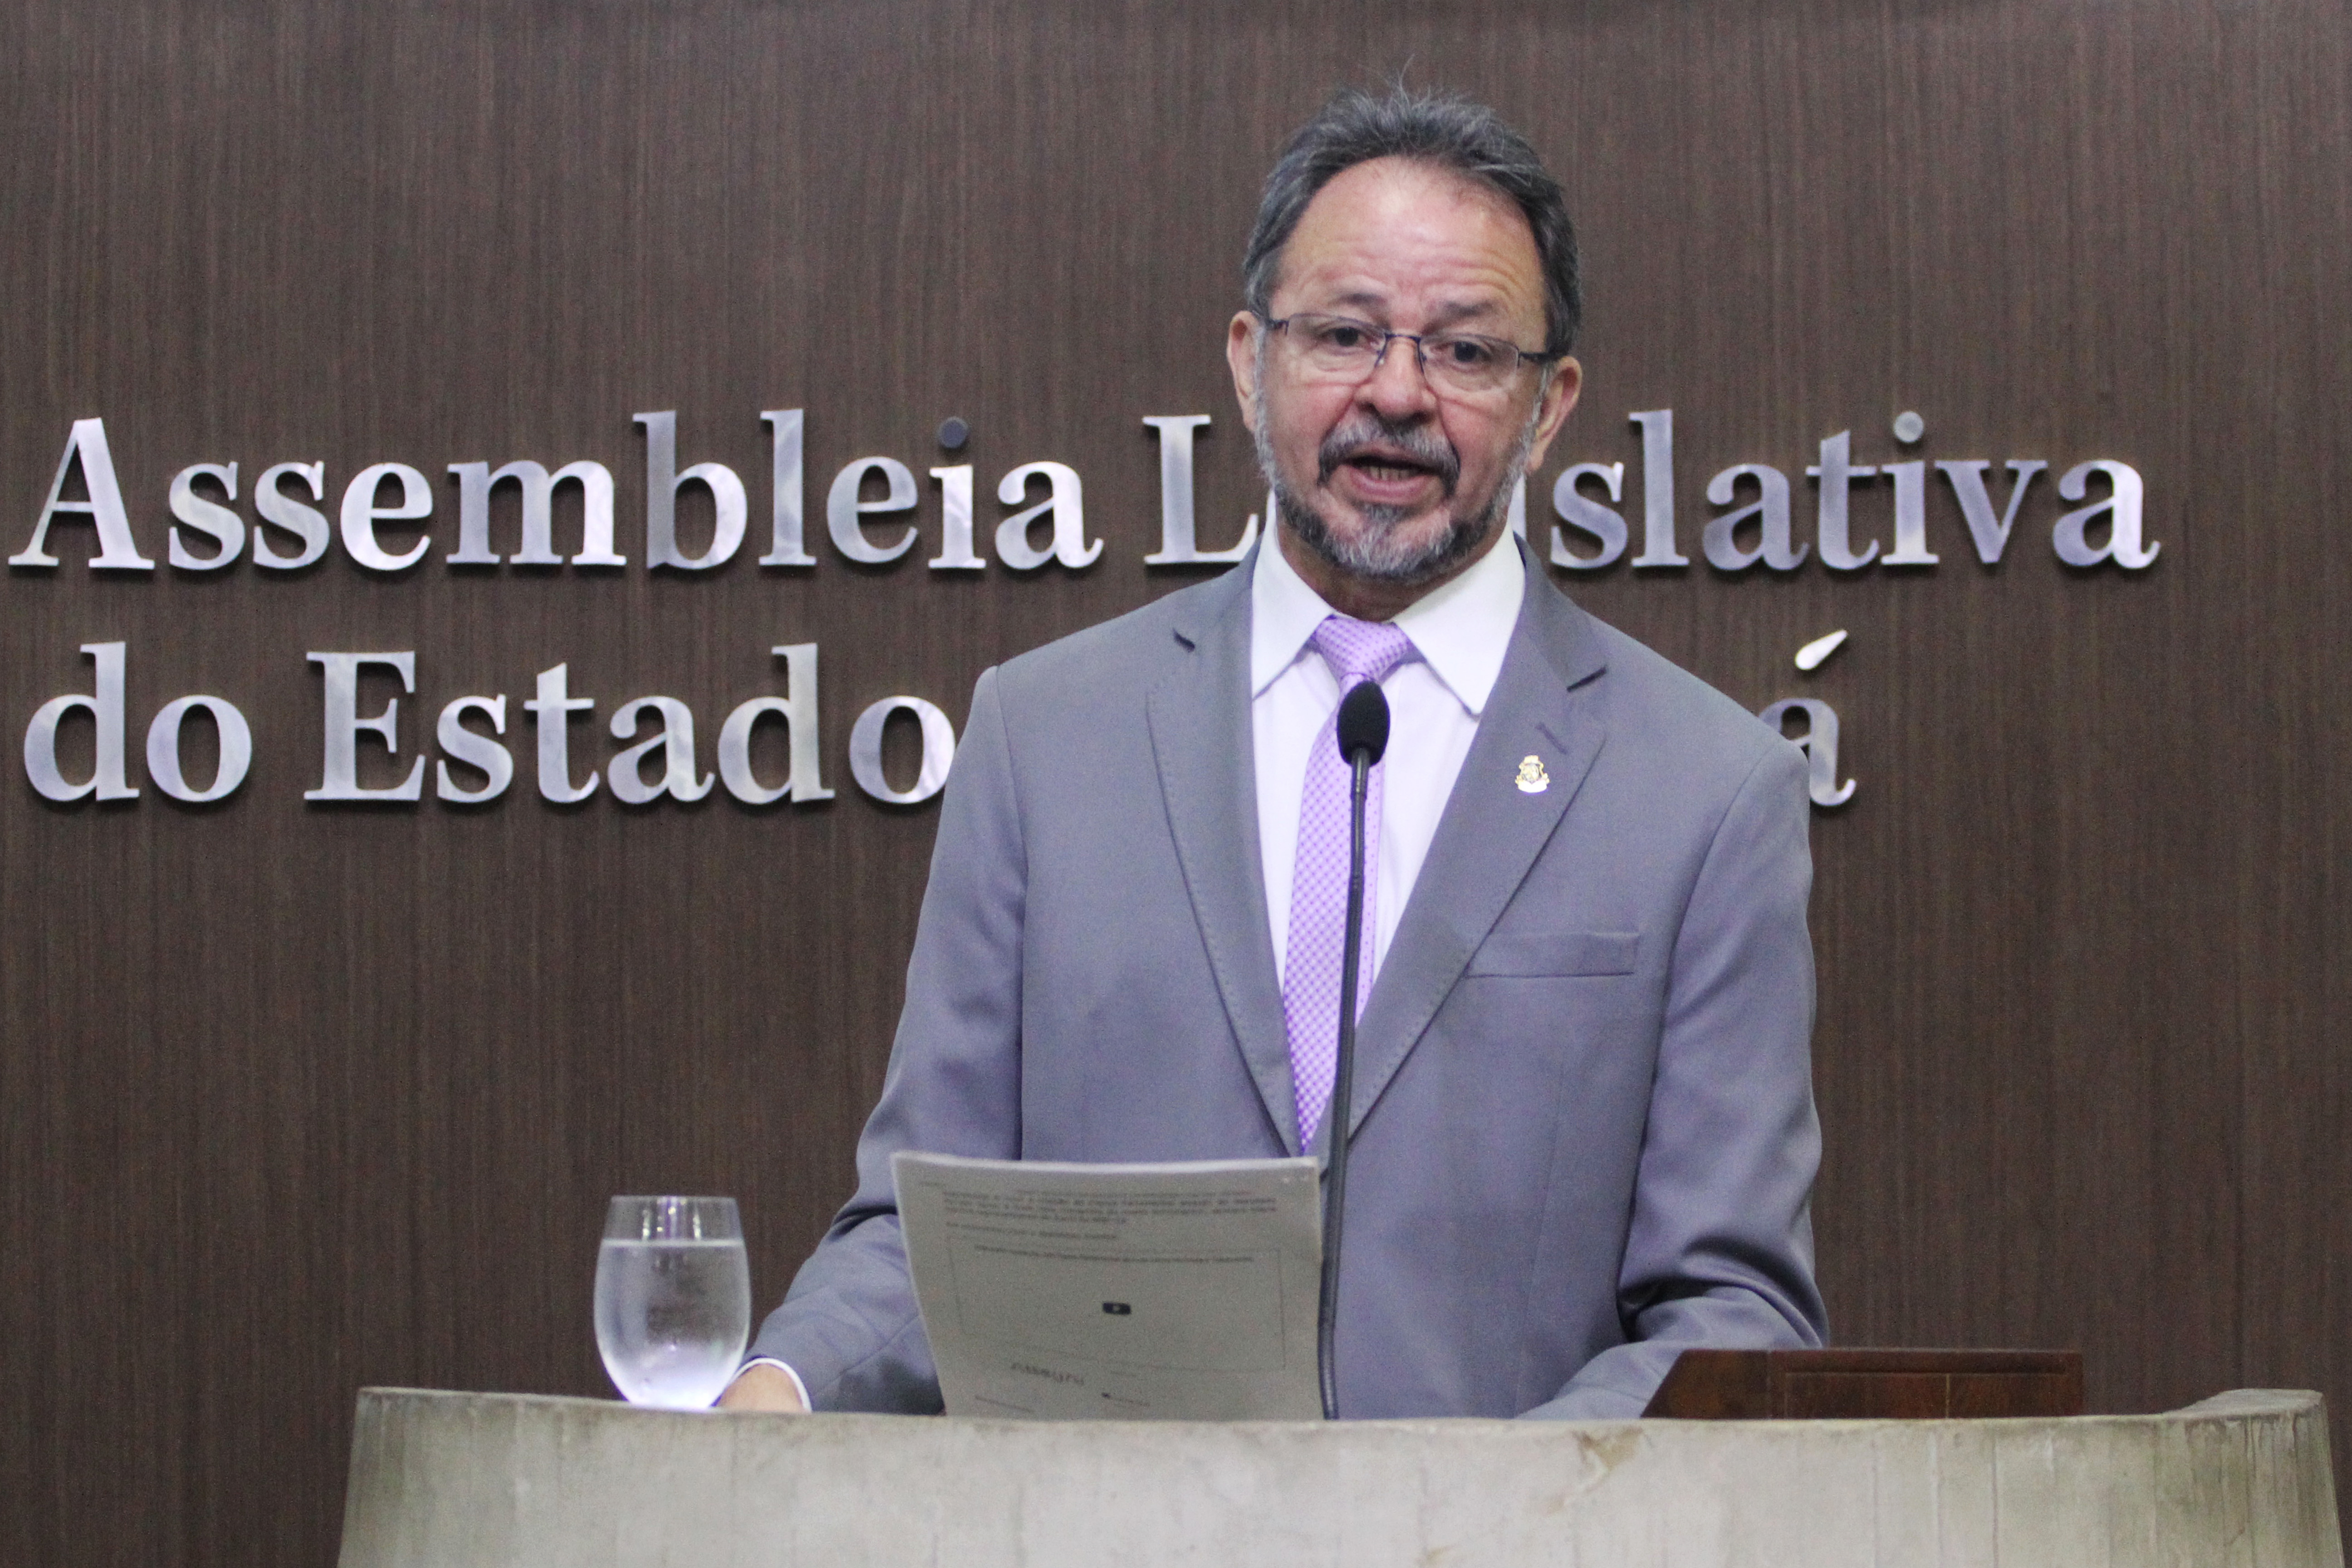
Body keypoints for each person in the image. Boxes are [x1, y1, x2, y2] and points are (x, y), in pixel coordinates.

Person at [722, 86, 1826, 1420]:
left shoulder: (1707, 792)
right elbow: (928, 1238)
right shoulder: (1044, 739)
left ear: (1550, 407)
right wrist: (779, 1395)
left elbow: (1732, 1316)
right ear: (1250, 363)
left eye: (1468, 352)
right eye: (1345, 334)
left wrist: (1477, 1512)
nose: (1397, 394)